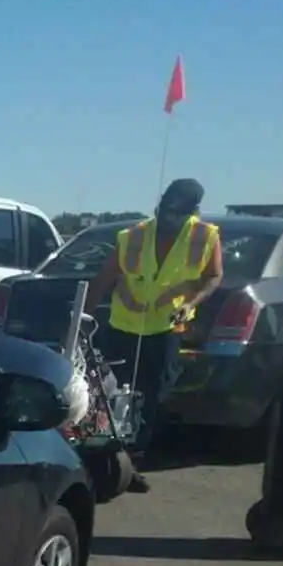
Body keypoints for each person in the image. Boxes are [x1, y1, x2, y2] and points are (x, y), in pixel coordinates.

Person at [85, 178, 224, 491]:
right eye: (165, 209)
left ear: (193, 211)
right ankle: (101, 456)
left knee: (150, 399)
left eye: (177, 214)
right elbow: (106, 275)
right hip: (123, 326)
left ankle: (132, 463)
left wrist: (190, 304)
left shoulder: (204, 237)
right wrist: (85, 316)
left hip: (165, 329)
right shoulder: (133, 236)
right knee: (108, 396)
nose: (168, 218)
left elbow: (213, 276)